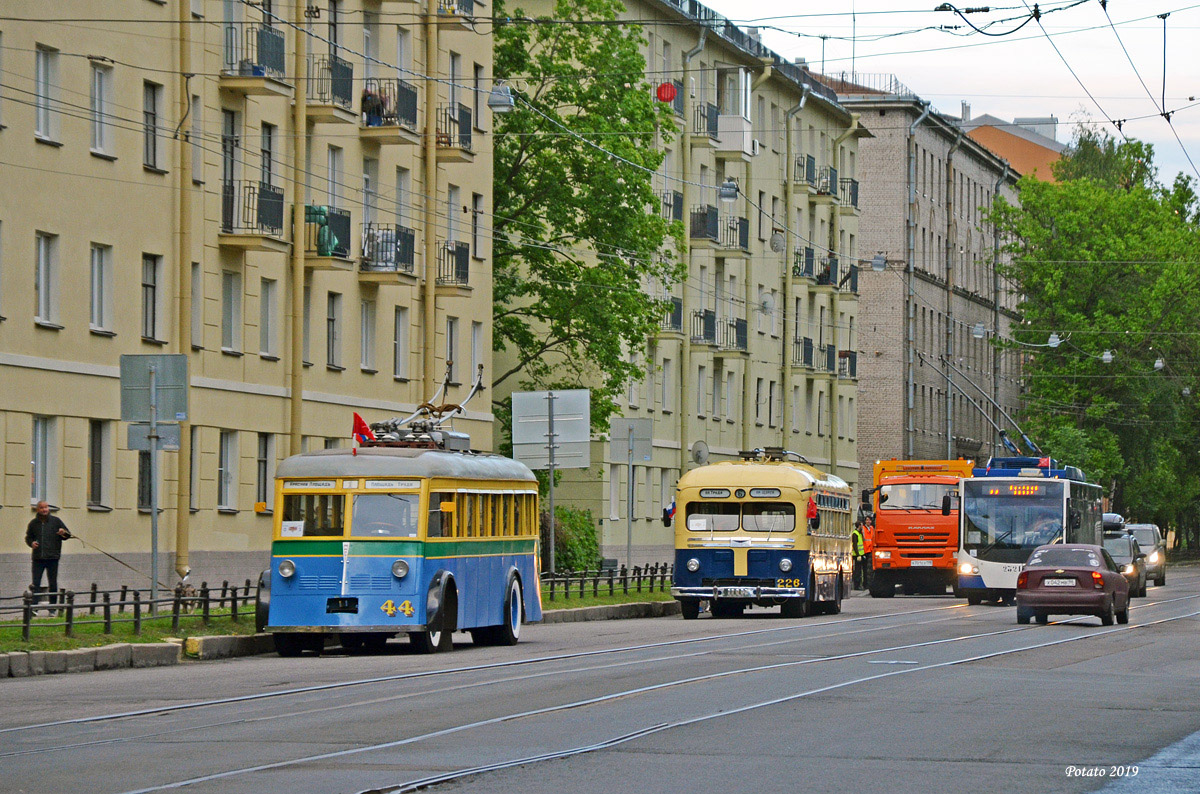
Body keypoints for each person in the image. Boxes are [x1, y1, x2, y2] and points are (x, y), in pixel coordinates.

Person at [25, 501, 71, 610]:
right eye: (41, 508)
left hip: (52, 558)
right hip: (38, 558)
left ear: (48, 509)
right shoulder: (33, 523)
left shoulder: (56, 521)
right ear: (38, 510)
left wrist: (63, 532)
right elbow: (28, 537)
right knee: (36, 584)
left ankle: (52, 608)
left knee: (53, 583)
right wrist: (31, 543)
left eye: (46, 507)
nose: (44, 509)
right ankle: (34, 608)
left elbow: (67, 535)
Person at [851, 517, 868, 590]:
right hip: (856, 555)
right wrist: (858, 555)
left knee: (861, 570)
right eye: (861, 525)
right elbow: (855, 545)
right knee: (857, 571)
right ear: (859, 526)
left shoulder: (859, 533)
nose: (862, 527)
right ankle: (856, 585)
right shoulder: (855, 534)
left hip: (861, 554)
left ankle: (861, 584)